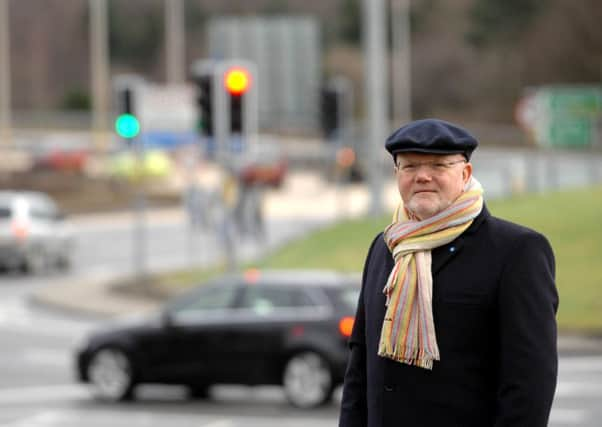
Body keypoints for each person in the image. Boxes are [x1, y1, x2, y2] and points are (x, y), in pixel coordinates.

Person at [338, 119, 558, 427]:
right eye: (410, 167)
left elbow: (530, 383)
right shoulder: (386, 246)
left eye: (439, 166)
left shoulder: (517, 251)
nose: (423, 176)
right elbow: (359, 367)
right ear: (397, 175)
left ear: (465, 173)